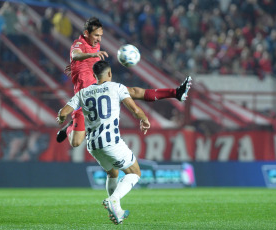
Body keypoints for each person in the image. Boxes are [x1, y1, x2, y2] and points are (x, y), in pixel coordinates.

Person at [57, 17, 192, 146]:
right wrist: (86, 57)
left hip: (100, 87)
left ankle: (176, 93)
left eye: (100, 35)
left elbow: (83, 62)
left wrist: (76, 66)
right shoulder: (79, 43)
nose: (98, 39)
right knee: (76, 142)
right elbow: (76, 54)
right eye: (96, 35)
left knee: (133, 92)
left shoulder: (95, 45)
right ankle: (69, 128)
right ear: (86, 33)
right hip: (86, 96)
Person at [57, 60, 151, 225]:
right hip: (111, 142)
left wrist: (62, 119)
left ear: (94, 76)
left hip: (93, 145)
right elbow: (135, 110)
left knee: (113, 173)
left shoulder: (83, 93)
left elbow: (64, 112)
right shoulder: (117, 87)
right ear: (109, 74)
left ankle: (117, 211)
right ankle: (113, 200)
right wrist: (144, 119)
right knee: (135, 173)